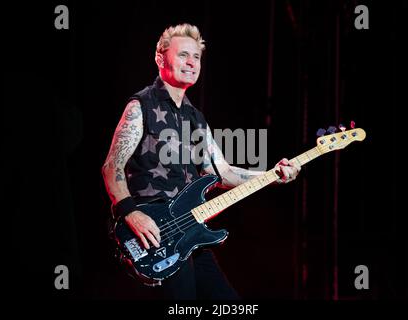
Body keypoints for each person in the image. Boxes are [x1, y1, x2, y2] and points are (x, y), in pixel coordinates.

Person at [102, 23, 301, 300]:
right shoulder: (142, 106)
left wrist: (272, 174)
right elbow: (112, 168)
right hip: (156, 234)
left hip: (190, 233)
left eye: (196, 57)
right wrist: (131, 213)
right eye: (183, 55)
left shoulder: (195, 118)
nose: (191, 63)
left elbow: (223, 172)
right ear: (160, 59)